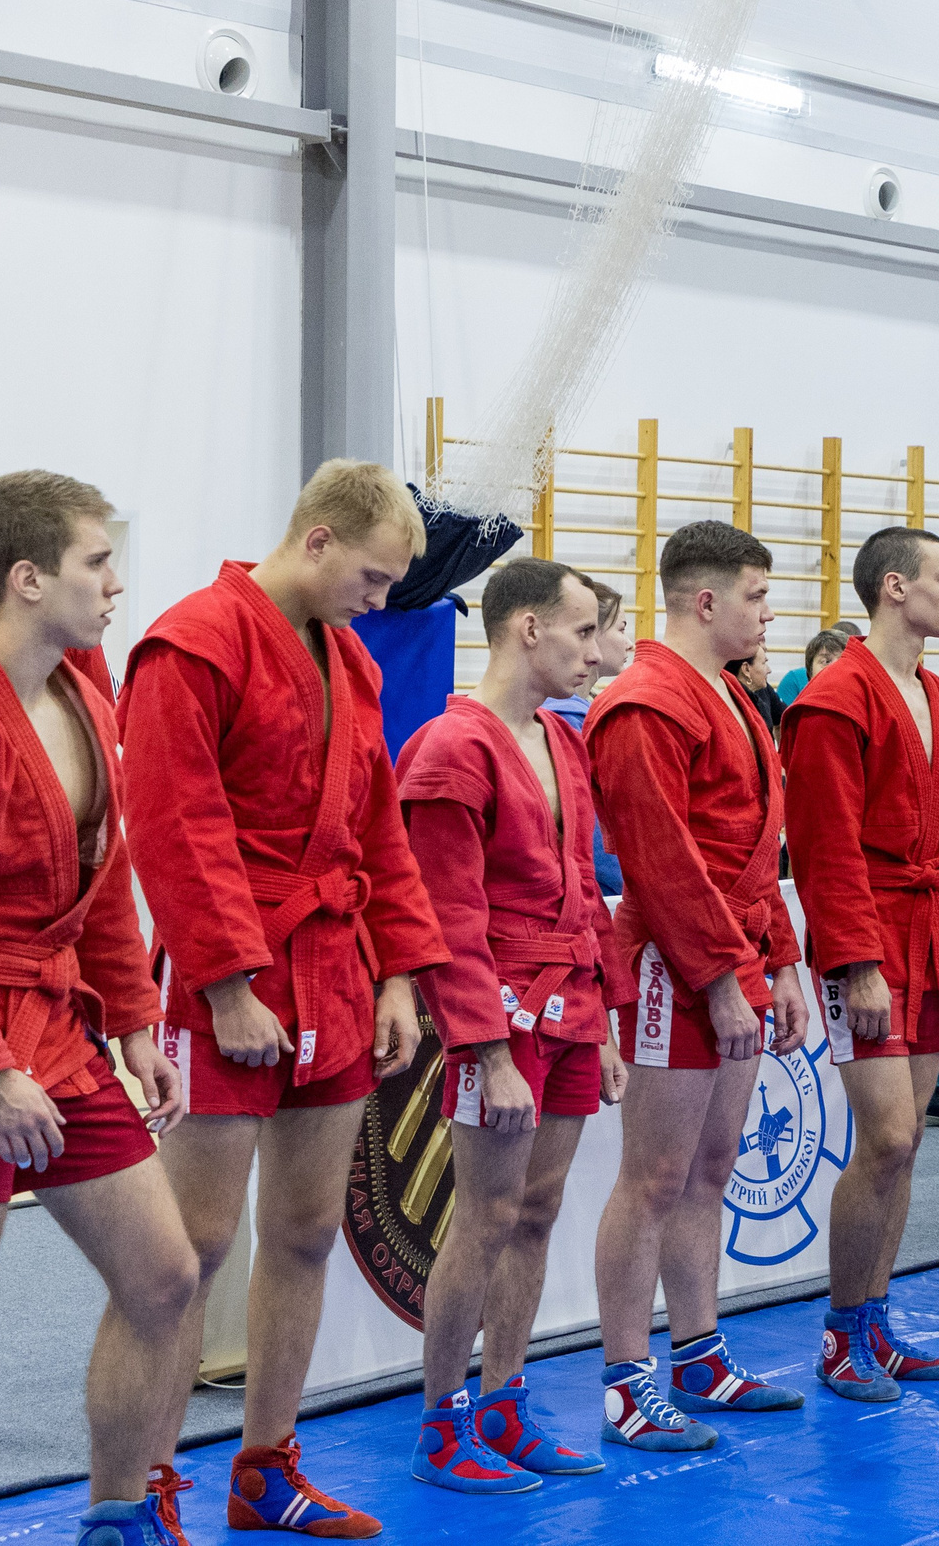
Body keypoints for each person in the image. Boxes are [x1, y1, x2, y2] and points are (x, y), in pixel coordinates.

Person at [120, 462, 445, 1540]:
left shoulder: (349, 658)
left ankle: (266, 1469)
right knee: (191, 1253)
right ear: (315, 539)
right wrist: (223, 983)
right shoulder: (193, 641)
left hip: (337, 969)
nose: (383, 599)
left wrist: (400, 970)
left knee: (305, 1233)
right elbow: (172, 821)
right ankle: (146, 1486)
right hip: (238, 977)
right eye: (373, 574)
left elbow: (379, 825)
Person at [0, 473, 195, 1546]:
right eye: (97, 563)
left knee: (163, 1278)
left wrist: (135, 1025)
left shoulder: (78, 695)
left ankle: (118, 1519)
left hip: (58, 1025)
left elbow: (104, 881)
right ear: (28, 579)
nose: (117, 584)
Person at [585, 522, 810, 1442]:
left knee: (711, 1167)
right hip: (674, 965)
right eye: (757, 596)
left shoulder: (728, 696)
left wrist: (783, 962)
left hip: (738, 956)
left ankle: (699, 1352)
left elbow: (757, 855)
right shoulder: (645, 702)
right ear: (706, 600)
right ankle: (626, 1380)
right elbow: (664, 862)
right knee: (654, 1175)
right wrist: (720, 978)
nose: (769, 612)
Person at [396, 560, 616, 1491]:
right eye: (580, 633)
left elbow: (582, 894)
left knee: (537, 1209)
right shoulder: (452, 748)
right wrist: (486, 1052)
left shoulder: (562, 743)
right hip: (503, 1020)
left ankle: (503, 1402)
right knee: (484, 1215)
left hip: (569, 1006)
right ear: (527, 629)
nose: (595, 653)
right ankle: (441, 1424)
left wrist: (602, 1024)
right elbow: (445, 917)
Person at [782, 527, 939, 1398]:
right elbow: (825, 846)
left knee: (905, 1149)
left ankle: (876, 1317)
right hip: (870, 936)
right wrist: (855, 963)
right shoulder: (837, 700)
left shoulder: (938, 699)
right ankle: (840, 1333)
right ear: (896, 586)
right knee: (892, 1136)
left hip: (932, 929)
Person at [543, 576, 630, 897]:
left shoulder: (592, 707)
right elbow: (589, 827)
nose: (630, 643)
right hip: (597, 890)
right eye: (621, 629)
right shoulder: (567, 719)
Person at [776, 627, 851, 708]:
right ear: (810, 672)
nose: (834, 667)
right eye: (826, 661)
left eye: (843, 660)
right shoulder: (802, 710)